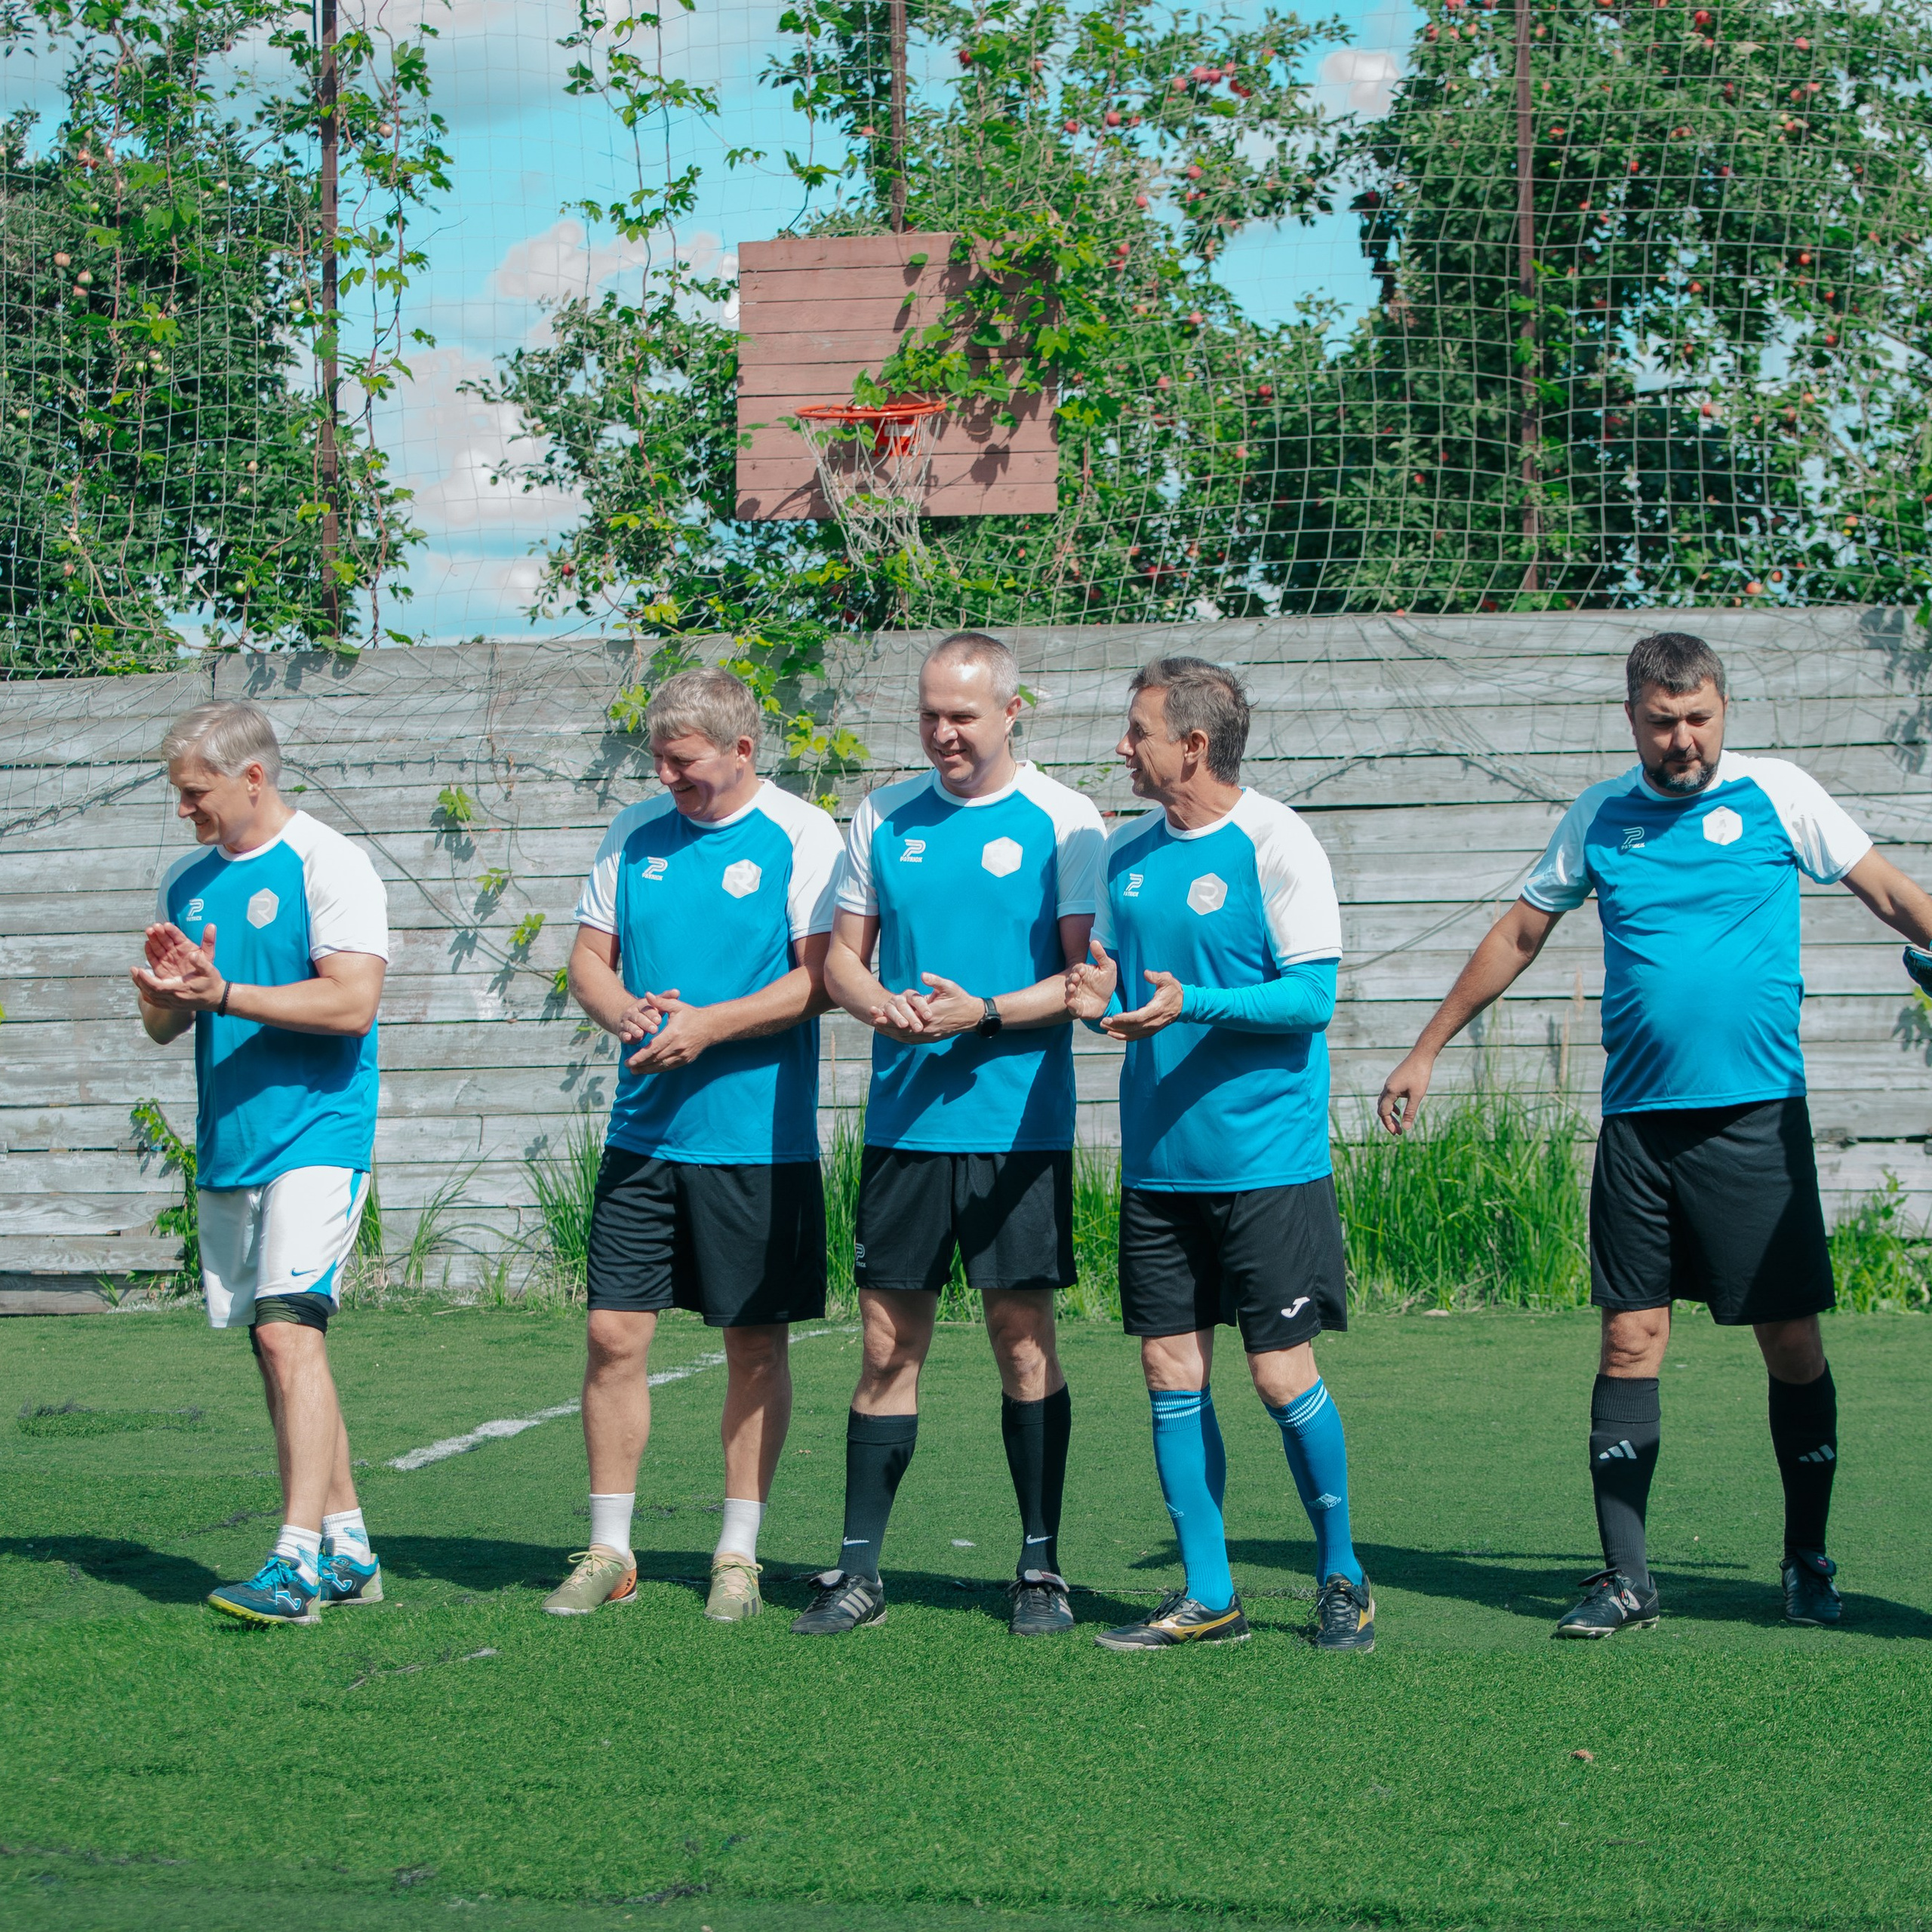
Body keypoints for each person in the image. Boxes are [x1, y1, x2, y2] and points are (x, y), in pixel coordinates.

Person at [1377, 630, 1932, 1635]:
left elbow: (1889, 892)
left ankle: (1808, 1559)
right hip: (1638, 1129)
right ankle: (1627, 1578)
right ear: (1631, 717)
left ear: (1724, 709)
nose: (1684, 739)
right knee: (1631, 1336)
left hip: (1757, 1121)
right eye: (1663, 721)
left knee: (1790, 1340)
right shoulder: (1600, 814)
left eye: (1700, 718)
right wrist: (1427, 1046)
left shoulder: (1779, 795)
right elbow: (1520, 932)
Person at [790, 632, 1106, 1638]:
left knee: (1022, 1338)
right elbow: (841, 959)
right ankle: (857, 1572)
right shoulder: (881, 814)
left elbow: (1087, 982)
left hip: (1018, 1127)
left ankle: (1040, 1569)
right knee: (888, 1342)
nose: (942, 733)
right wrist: (877, 1002)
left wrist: (989, 1013)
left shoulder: (1067, 819)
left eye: (962, 716)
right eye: (929, 714)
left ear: (1014, 713)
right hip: (905, 1127)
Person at [1066, 657, 1375, 1654]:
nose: (1124, 747)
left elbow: (1310, 1001)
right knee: (1168, 1371)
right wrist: (1096, 996)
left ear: (1191, 745)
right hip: (1159, 1167)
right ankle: (1210, 1594)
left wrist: (1191, 1003)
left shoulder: (1278, 842)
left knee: (1281, 1377)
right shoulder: (1126, 858)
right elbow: (1122, 985)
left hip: (1266, 1167)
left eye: (1138, 730)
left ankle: (1343, 1575)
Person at [546, 667, 842, 1623]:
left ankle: (738, 1553)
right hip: (645, 1134)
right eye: (659, 763)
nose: (668, 779)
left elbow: (819, 981)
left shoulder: (803, 834)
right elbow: (586, 960)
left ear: (743, 749)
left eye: (684, 763)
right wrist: (627, 1010)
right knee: (610, 1334)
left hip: (757, 1143)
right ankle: (609, 1548)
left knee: (753, 1346)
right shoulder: (635, 834)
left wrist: (707, 1025)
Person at [134, 701, 389, 1626]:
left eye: (194, 792)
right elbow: (170, 1021)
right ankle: (351, 1544)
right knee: (279, 1349)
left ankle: (295, 1563)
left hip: (319, 1134)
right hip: (231, 1140)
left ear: (252, 778)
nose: (184, 810)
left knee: (289, 1333)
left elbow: (353, 1002)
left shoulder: (331, 862)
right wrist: (170, 994)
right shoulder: (188, 878)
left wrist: (228, 991)